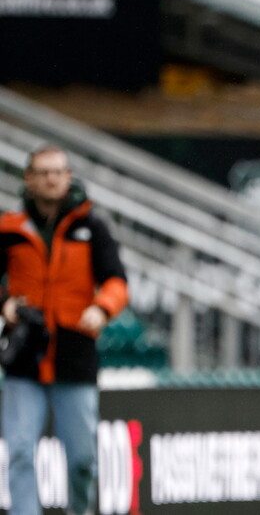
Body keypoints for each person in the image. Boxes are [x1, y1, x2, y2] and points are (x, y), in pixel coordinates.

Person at [0, 145, 129, 515]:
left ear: (68, 176)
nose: (52, 178)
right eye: (43, 172)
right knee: (20, 451)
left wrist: (102, 308)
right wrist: (5, 304)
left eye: (58, 171)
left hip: (75, 357)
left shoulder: (91, 227)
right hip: (23, 358)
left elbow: (116, 281)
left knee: (82, 460)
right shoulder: (10, 228)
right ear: (29, 179)